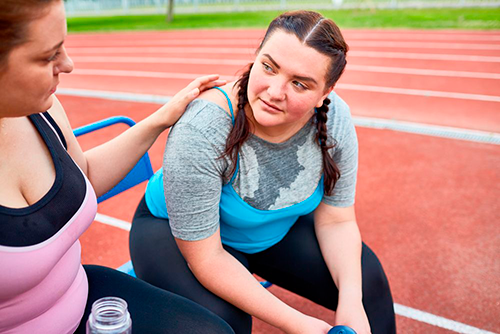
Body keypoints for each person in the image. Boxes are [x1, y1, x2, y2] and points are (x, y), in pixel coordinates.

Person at [130, 10, 396, 334]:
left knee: (366, 282)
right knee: (225, 323)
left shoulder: (335, 118)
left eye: (300, 84)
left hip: (269, 230)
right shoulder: (203, 129)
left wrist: (351, 303)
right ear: (255, 56)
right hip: (175, 235)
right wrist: (304, 325)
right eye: (269, 67)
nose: (274, 92)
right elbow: (208, 259)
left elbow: (337, 219)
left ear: (324, 94)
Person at [0, 1, 235, 333]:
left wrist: (160, 120)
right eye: (47, 56)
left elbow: (83, 179)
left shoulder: (42, 110)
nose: (67, 64)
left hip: (86, 300)